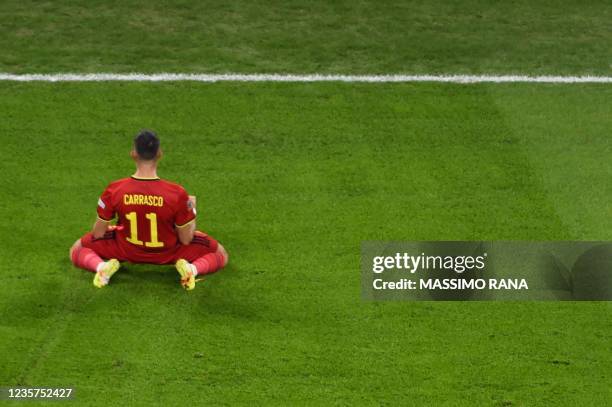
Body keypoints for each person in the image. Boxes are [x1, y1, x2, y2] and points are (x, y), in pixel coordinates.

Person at [69, 130, 228, 290]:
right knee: (220, 253)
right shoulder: (177, 193)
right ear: (159, 153)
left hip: (125, 249)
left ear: (133, 154)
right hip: (169, 252)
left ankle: (100, 267)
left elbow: (98, 233)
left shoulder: (115, 189)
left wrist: (113, 228)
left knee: (78, 248)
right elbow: (186, 239)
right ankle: (192, 269)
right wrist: (192, 211)